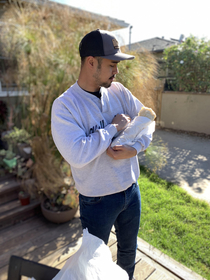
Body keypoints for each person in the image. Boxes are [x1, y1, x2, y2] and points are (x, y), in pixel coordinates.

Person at [51, 29, 154, 280]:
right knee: (92, 263)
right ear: (91, 62)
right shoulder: (65, 105)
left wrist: (136, 148)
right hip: (97, 200)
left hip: (131, 190)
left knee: (129, 252)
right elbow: (77, 153)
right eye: (112, 64)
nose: (116, 71)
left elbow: (148, 119)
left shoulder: (119, 91)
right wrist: (113, 128)